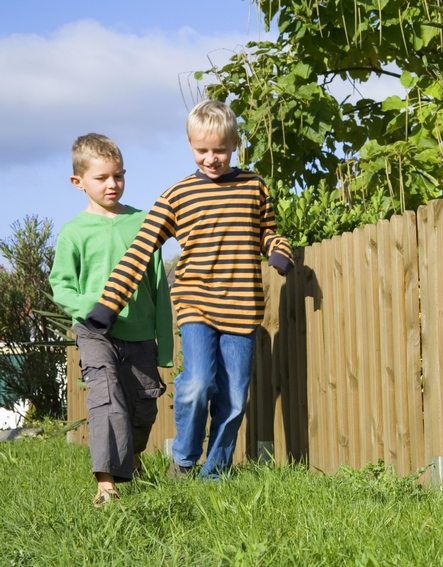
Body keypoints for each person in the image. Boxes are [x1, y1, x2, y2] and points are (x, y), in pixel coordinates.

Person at [85, 100, 294, 479]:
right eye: (202, 150)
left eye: (220, 150)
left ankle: (215, 474)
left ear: (234, 145)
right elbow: (140, 251)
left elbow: (269, 232)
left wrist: (278, 251)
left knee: (233, 399)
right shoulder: (177, 195)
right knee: (197, 384)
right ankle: (183, 460)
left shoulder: (253, 187)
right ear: (190, 145)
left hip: (243, 308)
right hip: (197, 305)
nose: (211, 159)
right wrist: (108, 305)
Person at [49, 133, 174, 507]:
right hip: (95, 332)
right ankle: (106, 484)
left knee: (142, 407)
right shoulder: (74, 232)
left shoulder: (143, 222)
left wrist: (164, 345)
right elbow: (62, 287)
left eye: (118, 175)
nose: (112, 184)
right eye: (102, 177)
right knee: (107, 401)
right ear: (79, 182)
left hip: (140, 334)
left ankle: (130, 461)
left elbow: (159, 286)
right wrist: (95, 303)